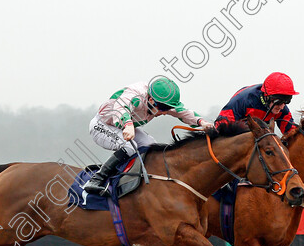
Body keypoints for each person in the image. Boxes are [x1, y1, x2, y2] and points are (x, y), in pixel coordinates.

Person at [84, 77, 213, 197]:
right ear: (151, 100)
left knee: (150, 145)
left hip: (121, 126)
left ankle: (130, 176)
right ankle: (96, 180)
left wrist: (202, 123)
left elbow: (183, 112)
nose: (164, 112)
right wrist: (128, 125)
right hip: (102, 125)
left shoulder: (160, 102)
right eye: (163, 108)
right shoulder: (136, 95)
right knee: (129, 147)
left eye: (168, 108)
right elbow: (121, 108)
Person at [214, 72, 299, 134]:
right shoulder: (242, 100)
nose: (282, 107)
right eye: (279, 102)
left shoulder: (281, 109)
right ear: (267, 96)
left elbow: (291, 132)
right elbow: (220, 126)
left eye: (287, 101)